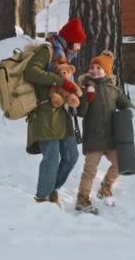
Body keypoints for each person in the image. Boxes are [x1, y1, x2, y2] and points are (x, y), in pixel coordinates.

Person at [23, 17, 86, 207]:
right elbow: (30, 72)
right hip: (45, 113)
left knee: (71, 156)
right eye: (78, 43)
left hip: (63, 114)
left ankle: (52, 190)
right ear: (69, 39)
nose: (79, 48)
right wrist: (60, 82)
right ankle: (43, 198)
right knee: (51, 157)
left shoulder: (65, 58)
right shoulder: (47, 50)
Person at [75, 50, 134, 214]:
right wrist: (87, 96)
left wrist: (128, 110)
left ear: (106, 71)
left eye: (99, 68)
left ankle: (106, 187)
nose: (94, 70)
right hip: (94, 138)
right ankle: (82, 199)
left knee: (119, 163)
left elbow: (125, 104)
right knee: (90, 170)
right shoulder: (85, 89)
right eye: (92, 67)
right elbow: (81, 112)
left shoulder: (113, 90)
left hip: (111, 137)